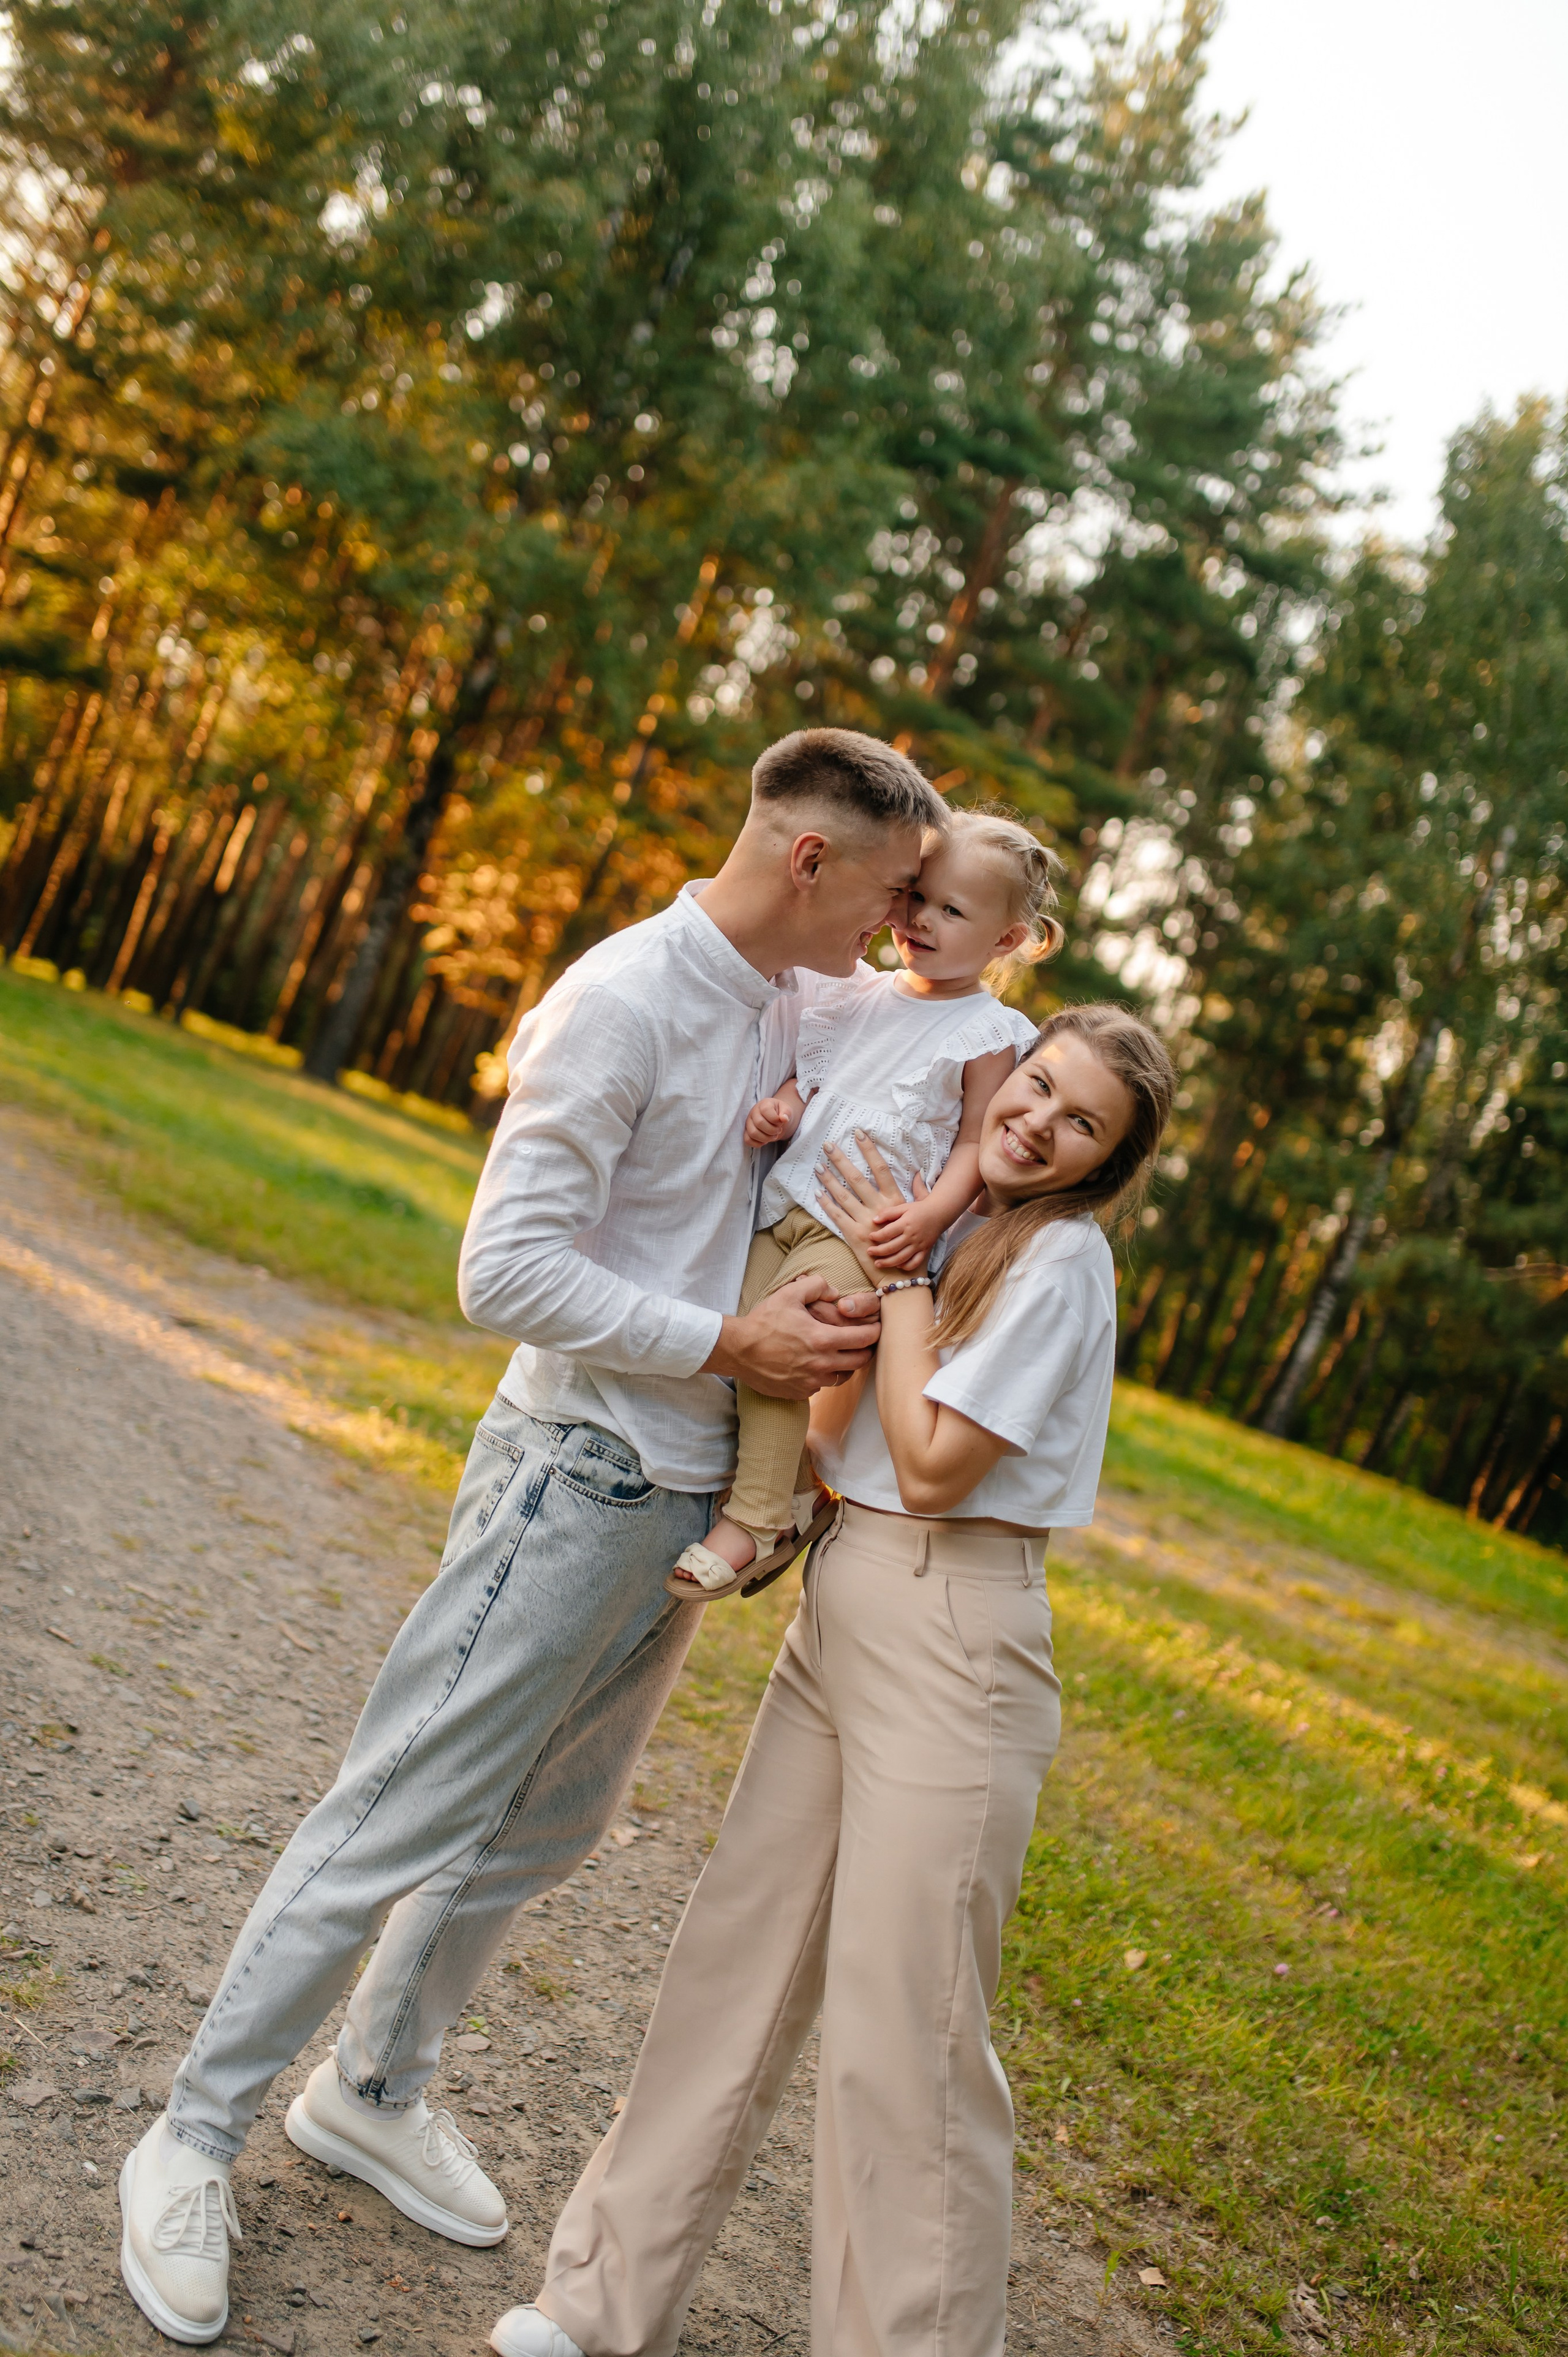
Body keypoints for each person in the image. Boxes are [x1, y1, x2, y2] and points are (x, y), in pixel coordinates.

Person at [116, 728, 948, 2348]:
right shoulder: (626, 999)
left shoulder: (789, 993)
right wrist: (733, 1347)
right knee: (397, 1809)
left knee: (541, 1831)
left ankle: (370, 2087)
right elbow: (501, 1273)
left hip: (687, 1502)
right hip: (579, 1474)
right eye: (892, 893)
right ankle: (192, 2133)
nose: (901, 929)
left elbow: (959, 1036)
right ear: (809, 864)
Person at [492, 1003, 1175, 2357]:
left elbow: (931, 1464)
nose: (1036, 1120)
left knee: (903, 2042)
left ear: (1104, 1161)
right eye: (1035, 1087)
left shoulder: (1060, 1266)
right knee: (729, 1961)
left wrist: (902, 1276)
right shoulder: (955, 1226)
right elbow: (839, 1431)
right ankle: (596, 2302)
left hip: (953, 1643)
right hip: (845, 1596)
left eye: (1076, 1121)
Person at [668, 809, 1061, 1600]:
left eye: (951, 911)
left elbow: (973, 1146)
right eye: (916, 896)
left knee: (781, 1349)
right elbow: (818, 1076)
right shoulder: (858, 995)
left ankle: (752, 1521)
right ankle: (804, 1485)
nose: (919, 919)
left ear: (1006, 942)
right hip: (787, 1202)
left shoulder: (987, 1032)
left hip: (866, 1234)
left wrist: (931, 1217)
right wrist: (782, 1105)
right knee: (741, 1340)